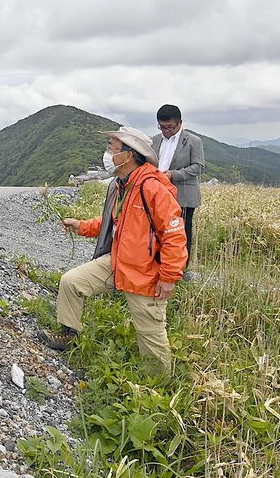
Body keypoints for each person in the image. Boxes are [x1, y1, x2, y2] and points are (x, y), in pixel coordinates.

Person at [41, 126, 187, 373]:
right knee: (71, 282)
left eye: (112, 147)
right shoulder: (123, 184)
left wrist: (169, 277)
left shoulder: (151, 187)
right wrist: (83, 226)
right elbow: (115, 222)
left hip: (145, 273)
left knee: (150, 335)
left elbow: (174, 235)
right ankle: (69, 335)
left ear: (128, 155)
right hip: (118, 262)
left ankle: (158, 387)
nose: (107, 152)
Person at [152, 104, 203, 266]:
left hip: (183, 195)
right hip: (159, 194)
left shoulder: (193, 141)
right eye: (162, 127)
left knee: (182, 232)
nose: (166, 131)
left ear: (180, 123)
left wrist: (173, 175)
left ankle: (181, 268)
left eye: (170, 127)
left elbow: (198, 166)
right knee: (159, 229)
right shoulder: (155, 140)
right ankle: (160, 263)